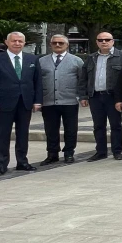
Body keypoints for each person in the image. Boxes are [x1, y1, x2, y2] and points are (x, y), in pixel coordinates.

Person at [38, 35, 86, 165]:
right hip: (48, 101)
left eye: (61, 43)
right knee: (50, 129)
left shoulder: (77, 61)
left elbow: (82, 81)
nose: (57, 45)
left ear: (67, 45)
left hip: (69, 101)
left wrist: (82, 97)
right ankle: (52, 154)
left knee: (70, 129)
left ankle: (69, 153)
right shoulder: (41, 61)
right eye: (55, 43)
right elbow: (37, 82)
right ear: (50, 44)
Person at [0, 32, 43, 174]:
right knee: (2, 134)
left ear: (24, 43)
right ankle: (1, 164)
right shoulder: (0, 58)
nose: (17, 43)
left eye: (20, 41)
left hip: (25, 102)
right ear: (7, 42)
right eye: (14, 41)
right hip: (4, 103)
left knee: (23, 133)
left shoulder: (32, 59)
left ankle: (22, 162)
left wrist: (37, 101)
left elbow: (38, 82)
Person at [83, 32, 122, 162]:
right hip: (95, 96)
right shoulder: (91, 58)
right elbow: (84, 78)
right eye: (101, 40)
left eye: (107, 39)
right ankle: (101, 152)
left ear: (113, 41)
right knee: (98, 126)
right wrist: (83, 96)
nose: (104, 42)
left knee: (115, 125)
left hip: (113, 97)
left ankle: (117, 151)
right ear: (96, 42)